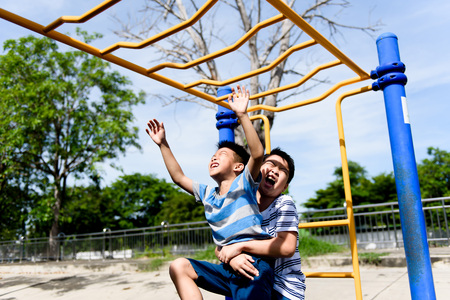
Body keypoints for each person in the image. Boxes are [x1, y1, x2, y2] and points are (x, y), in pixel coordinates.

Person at [146, 85, 274, 299]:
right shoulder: (208, 194)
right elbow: (178, 177)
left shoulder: (244, 183)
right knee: (179, 266)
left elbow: (258, 152)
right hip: (228, 266)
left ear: (238, 167)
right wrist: (163, 144)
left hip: (253, 263)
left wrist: (242, 114)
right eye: (213, 155)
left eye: (222, 154)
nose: (214, 157)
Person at [218, 148, 306, 300]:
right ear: (258, 170)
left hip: (282, 287)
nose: (275, 171)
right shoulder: (242, 203)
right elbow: (221, 247)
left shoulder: (284, 203)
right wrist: (232, 258)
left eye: (282, 170)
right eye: (271, 164)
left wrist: (240, 246)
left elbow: (287, 247)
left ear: (285, 186)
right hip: (247, 277)